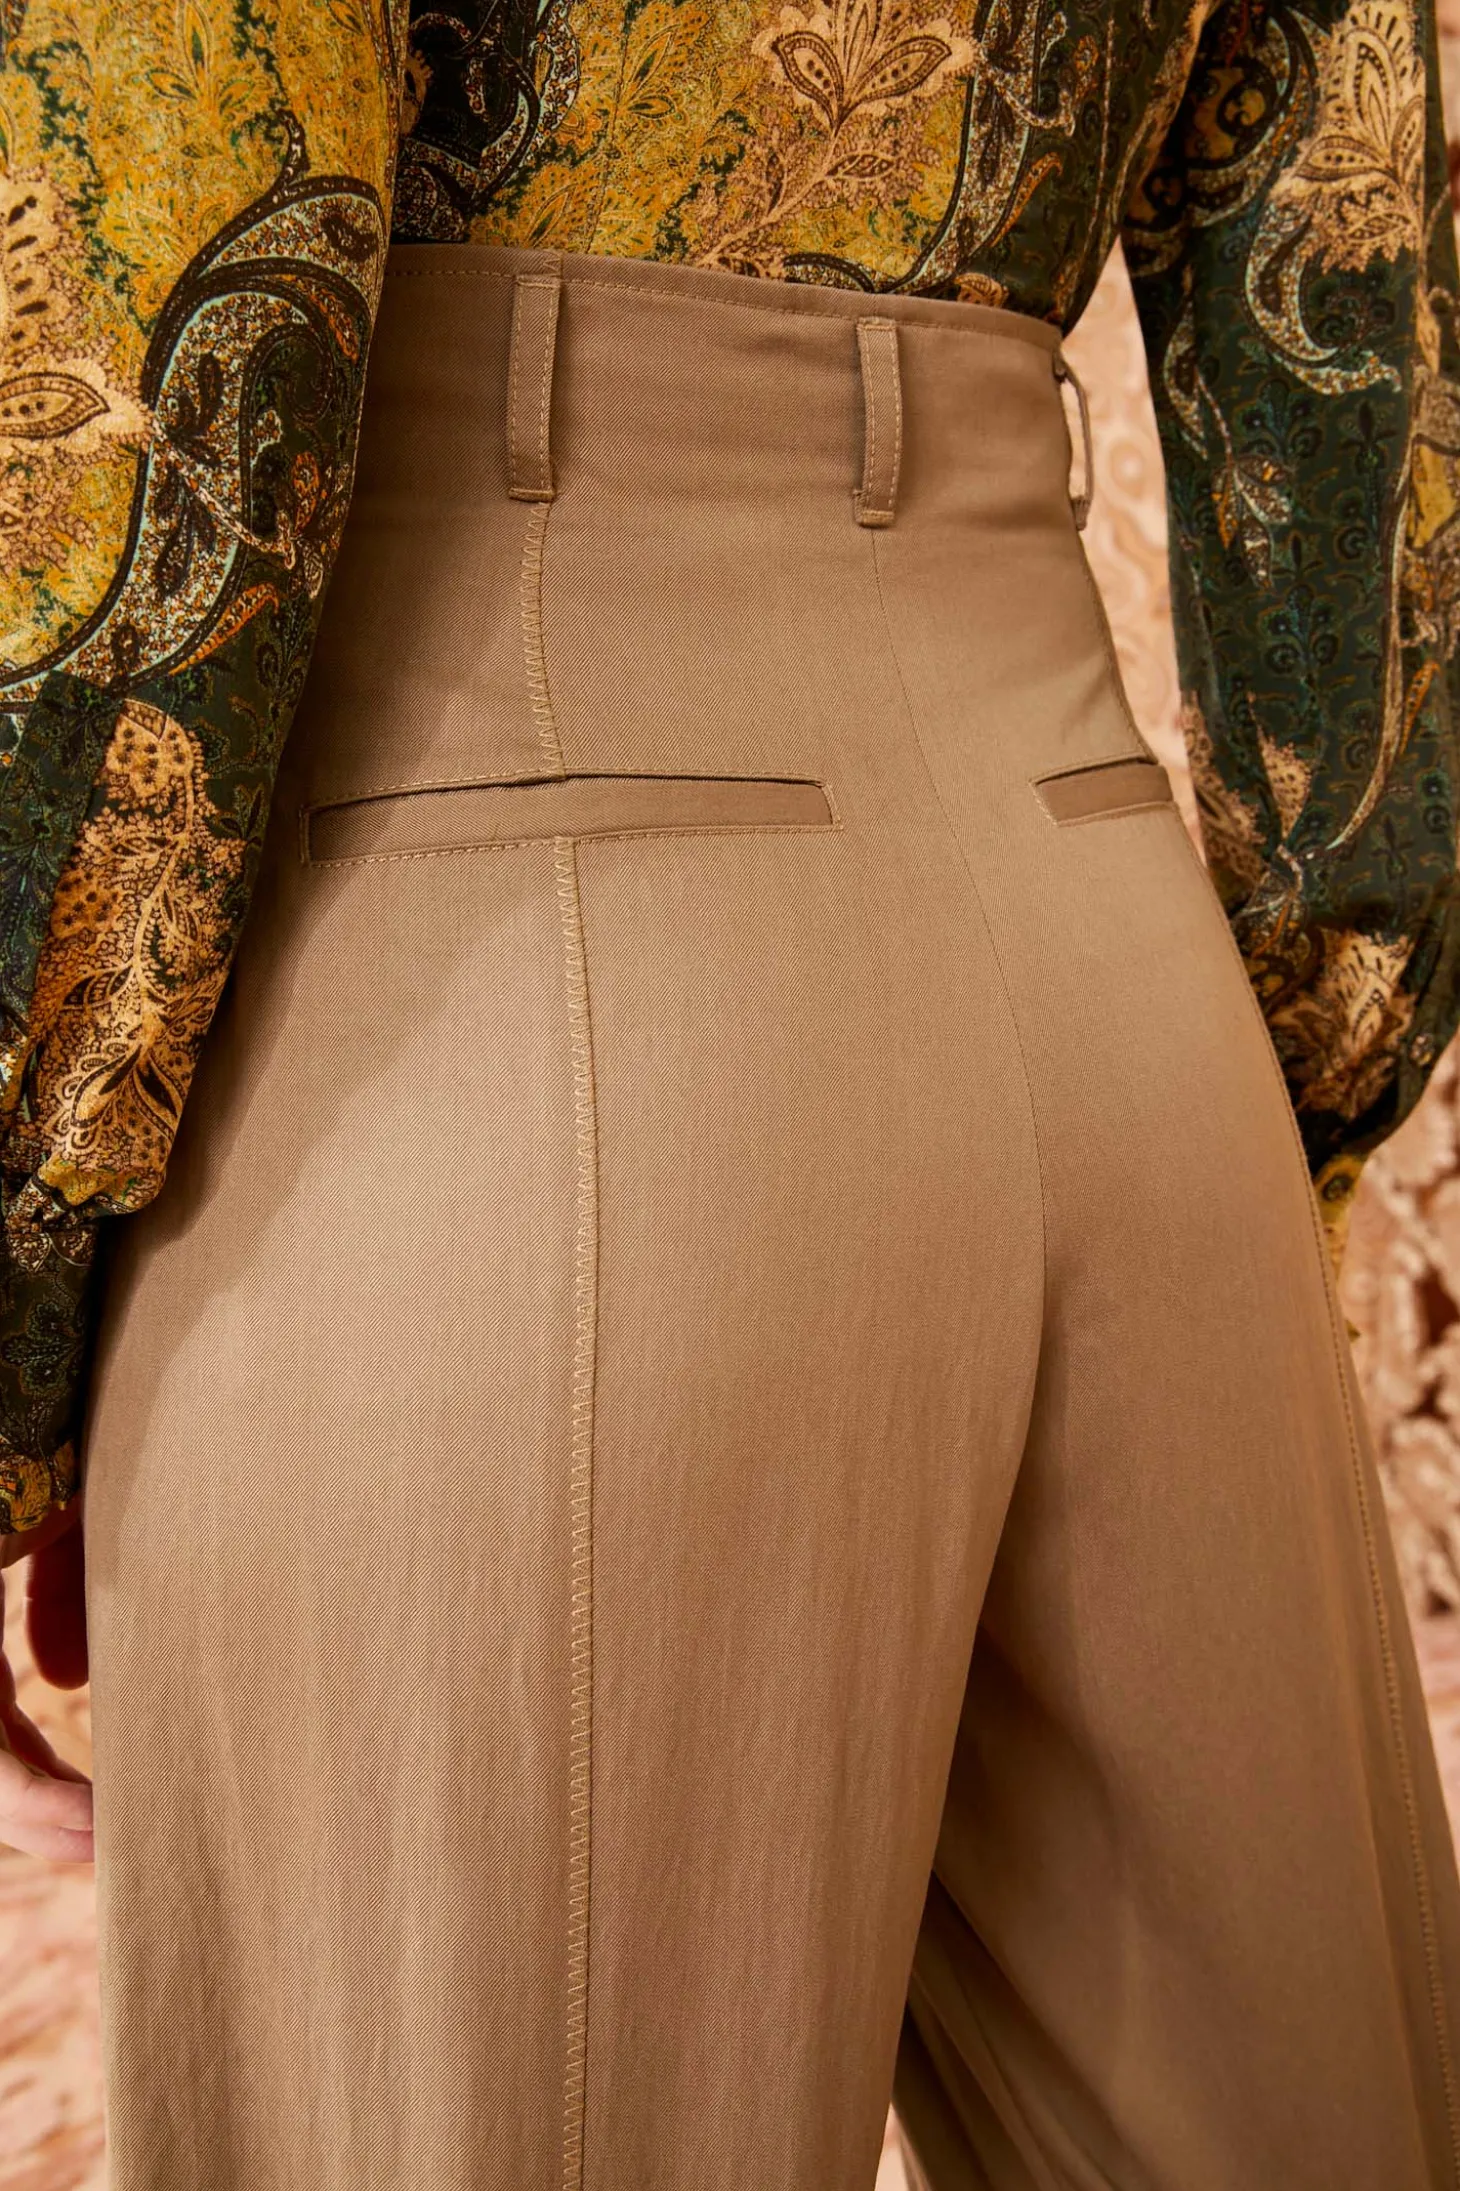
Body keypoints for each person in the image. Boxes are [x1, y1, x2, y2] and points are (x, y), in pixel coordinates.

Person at [4, 1, 1460, 2184]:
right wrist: (1306, 1067)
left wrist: (25, 1279)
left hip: (488, 941)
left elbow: (169, 304)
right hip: (1101, 936)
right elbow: (1347, 353)